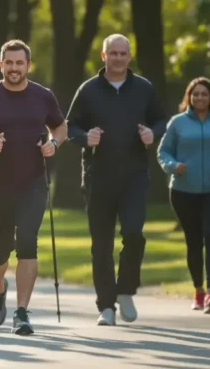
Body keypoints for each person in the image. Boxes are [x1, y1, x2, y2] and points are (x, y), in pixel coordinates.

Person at [0, 39, 67, 335]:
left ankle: (22, 312)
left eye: (19, 63)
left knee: (27, 243)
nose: (14, 68)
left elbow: (60, 125)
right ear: (1, 65)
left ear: (28, 65)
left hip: (34, 183)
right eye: (9, 63)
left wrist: (54, 143)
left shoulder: (42, 96)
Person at [65, 33, 168, 326]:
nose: (118, 58)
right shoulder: (88, 90)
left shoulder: (143, 88)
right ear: (103, 56)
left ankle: (125, 290)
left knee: (134, 234)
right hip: (98, 178)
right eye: (113, 53)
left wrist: (153, 133)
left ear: (129, 57)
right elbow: (69, 127)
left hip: (134, 176)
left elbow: (162, 120)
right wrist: (86, 137)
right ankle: (106, 307)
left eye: (123, 54)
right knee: (101, 245)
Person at [157, 77, 210, 315]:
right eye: (195, 94)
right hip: (183, 191)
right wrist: (174, 166)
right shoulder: (177, 123)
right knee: (193, 242)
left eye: (204, 94)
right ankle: (199, 290)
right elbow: (163, 152)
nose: (200, 98)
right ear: (189, 97)